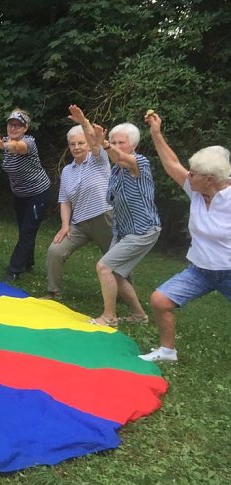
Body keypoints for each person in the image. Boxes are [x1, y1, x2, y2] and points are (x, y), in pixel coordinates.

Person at [138, 111, 231, 362]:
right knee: (160, 300)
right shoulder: (197, 190)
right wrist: (156, 132)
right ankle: (168, 352)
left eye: (193, 174)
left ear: (209, 179)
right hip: (200, 270)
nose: (188, 176)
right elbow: (171, 164)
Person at [70, 106, 161, 327]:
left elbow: (113, 152)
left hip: (143, 230)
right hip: (123, 230)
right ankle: (139, 315)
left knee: (105, 267)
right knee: (117, 274)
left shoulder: (140, 163)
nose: (118, 146)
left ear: (134, 145)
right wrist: (83, 122)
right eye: (115, 141)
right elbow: (96, 144)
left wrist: (107, 144)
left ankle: (109, 316)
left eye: (122, 142)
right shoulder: (117, 168)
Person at [42, 105, 114, 299]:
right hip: (79, 223)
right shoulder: (67, 170)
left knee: (116, 258)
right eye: (73, 144)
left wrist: (83, 121)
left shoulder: (100, 159)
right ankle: (53, 292)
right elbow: (64, 200)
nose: (77, 147)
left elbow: (96, 143)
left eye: (81, 143)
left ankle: (124, 295)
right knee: (55, 251)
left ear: (88, 144)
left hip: (103, 217)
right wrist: (65, 225)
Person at [0, 109, 51, 281]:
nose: (13, 128)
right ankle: (28, 262)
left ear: (25, 128)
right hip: (20, 195)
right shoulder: (5, 141)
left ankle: (14, 270)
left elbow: (18, 148)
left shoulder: (28, 142)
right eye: (11, 124)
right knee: (24, 228)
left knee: (28, 230)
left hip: (38, 193)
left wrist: (4, 146)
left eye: (18, 126)